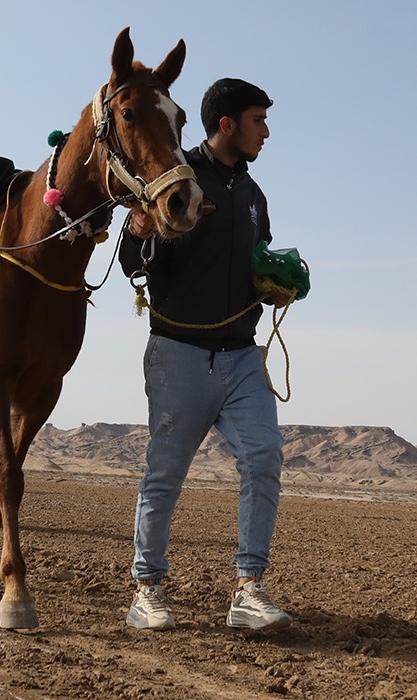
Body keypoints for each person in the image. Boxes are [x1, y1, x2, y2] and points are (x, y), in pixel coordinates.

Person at [118, 78, 292, 632]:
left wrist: (273, 285)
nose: (266, 131)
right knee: (165, 475)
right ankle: (145, 591)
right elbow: (131, 259)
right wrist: (140, 227)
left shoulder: (255, 196)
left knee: (263, 457)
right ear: (227, 125)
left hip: (242, 355)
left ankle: (249, 589)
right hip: (180, 352)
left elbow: (251, 265)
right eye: (258, 120)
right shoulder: (176, 176)